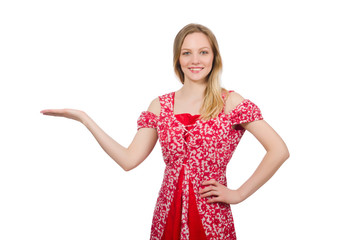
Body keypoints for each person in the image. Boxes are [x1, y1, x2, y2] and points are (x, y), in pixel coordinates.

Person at [41, 23, 289, 240]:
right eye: (187, 53)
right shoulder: (160, 105)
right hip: (167, 213)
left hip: (212, 216)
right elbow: (129, 160)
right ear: (178, 59)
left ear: (214, 57)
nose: (195, 60)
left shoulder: (230, 102)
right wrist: (85, 119)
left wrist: (238, 194)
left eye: (203, 52)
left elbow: (278, 150)